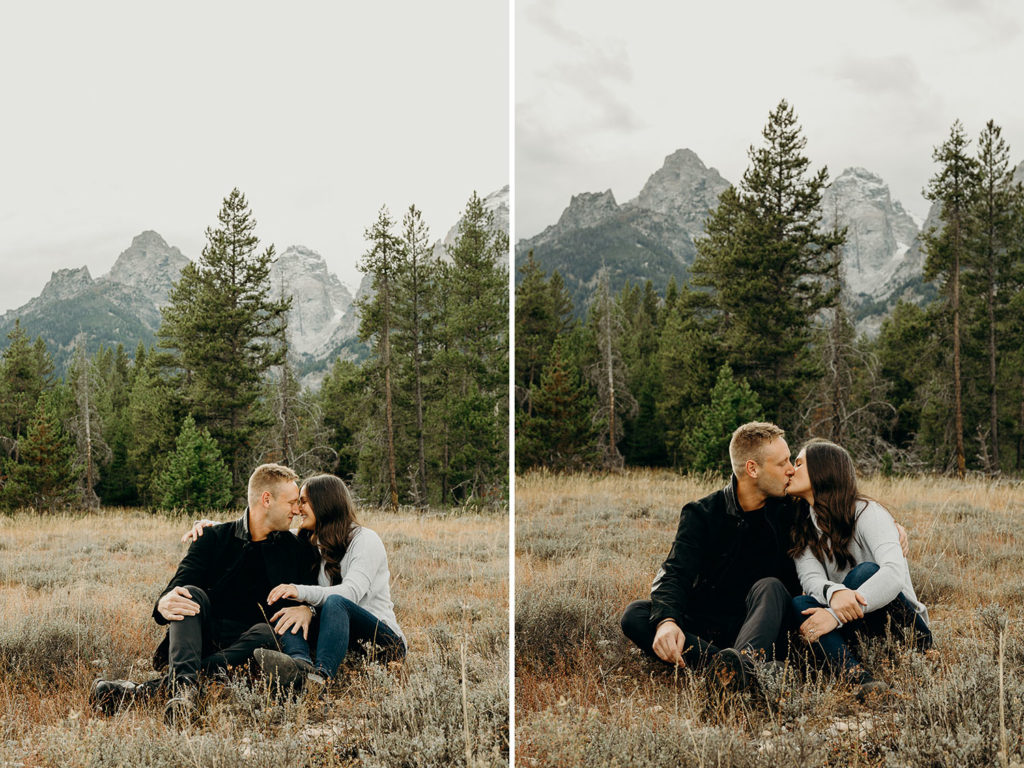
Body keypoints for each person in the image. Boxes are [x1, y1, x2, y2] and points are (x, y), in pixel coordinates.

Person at [620, 422, 907, 691]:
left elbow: (837, 509)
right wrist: (667, 621)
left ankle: (738, 668)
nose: (790, 470)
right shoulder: (702, 514)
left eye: (791, 461)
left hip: (766, 624)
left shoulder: (790, 510)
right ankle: (730, 669)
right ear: (753, 469)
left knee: (769, 585)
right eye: (782, 463)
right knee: (637, 615)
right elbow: (675, 572)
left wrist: (891, 528)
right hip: (710, 624)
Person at [89, 463, 318, 724]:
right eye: (291, 502)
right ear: (267, 499)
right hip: (201, 637)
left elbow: (311, 595)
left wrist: (307, 609)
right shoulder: (212, 538)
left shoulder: (297, 549)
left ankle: (158, 691)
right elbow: (178, 585)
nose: (297, 510)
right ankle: (184, 693)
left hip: (252, 645)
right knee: (188, 594)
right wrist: (164, 603)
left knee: (271, 632)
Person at [184, 473, 406, 692]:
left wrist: (299, 593)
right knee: (289, 610)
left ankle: (320, 678)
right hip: (341, 639)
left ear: (324, 503)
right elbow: (258, 527)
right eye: (297, 502)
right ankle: (300, 666)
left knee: (335, 603)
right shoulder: (312, 541)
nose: (298, 509)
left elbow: (350, 595)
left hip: (381, 639)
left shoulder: (365, 540)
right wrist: (212, 527)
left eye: (304, 502)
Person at [787, 439, 931, 700]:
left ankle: (920, 653)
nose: (790, 469)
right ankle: (860, 680)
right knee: (800, 603)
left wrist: (835, 615)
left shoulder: (867, 512)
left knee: (865, 573)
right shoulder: (803, 525)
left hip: (903, 628)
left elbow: (893, 574)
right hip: (857, 628)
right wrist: (834, 594)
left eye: (799, 463)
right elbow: (810, 579)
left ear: (823, 470)